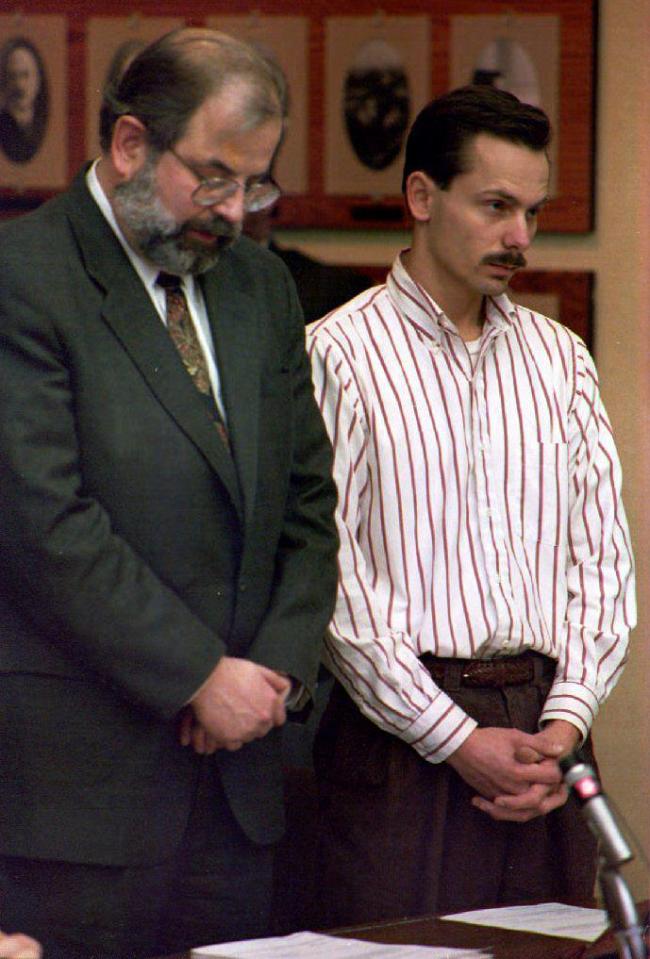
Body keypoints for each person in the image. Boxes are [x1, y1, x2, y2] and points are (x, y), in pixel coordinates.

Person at [0, 26, 338, 959]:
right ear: (130, 145)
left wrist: (269, 676)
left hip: (240, 791)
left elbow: (308, 507)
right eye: (216, 177)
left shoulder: (261, 289)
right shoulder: (23, 277)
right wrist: (196, 673)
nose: (234, 211)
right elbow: (42, 523)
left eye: (256, 183)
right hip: (81, 806)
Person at [307, 85, 635, 926]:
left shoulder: (560, 358)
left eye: (532, 210)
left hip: (546, 731)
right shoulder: (338, 354)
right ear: (421, 196)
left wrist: (560, 732)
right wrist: (453, 738)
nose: (520, 236)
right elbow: (331, 579)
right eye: (495, 206)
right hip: (398, 742)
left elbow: (602, 563)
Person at [0, 37, 48, 163]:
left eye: (25, 75)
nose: (19, 85)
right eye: (12, 76)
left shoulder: (41, 121)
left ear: (38, 80)